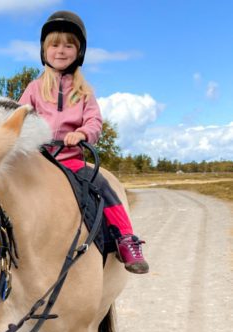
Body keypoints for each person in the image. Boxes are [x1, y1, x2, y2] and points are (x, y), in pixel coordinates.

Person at [19, 10, 149, 274]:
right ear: (44, 51)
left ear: (79, 52)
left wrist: (81, 134)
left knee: (103, 188)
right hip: (38, 161)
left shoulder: (84, 92)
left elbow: (94, 122)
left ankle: (126, 239)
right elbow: (18, 116)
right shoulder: (34, 88)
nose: (61, 50)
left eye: (69, 45)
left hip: (71, 162)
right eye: (54, 44)